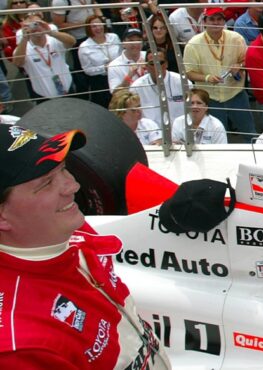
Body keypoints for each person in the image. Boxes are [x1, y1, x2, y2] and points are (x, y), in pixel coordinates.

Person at [0, 124, 171, 368]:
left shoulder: (62, 226)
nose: (73, 186)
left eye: (64, 169)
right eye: (47, 183)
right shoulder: (19, 346)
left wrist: (172, 214)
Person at [183, 7, 254, 137]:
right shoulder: (193, 44)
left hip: (235, 93)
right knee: (217, 135)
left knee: (249, 133)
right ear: (204, 22)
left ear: (224, 22)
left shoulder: (236, 38)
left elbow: (247, 60)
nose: (216, 23)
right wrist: (207, 78)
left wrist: (240, 66)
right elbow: (188, 72)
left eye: (219, 19)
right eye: (212, 19)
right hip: (210, 98)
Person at [12, 11, 76, 100]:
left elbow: (72, 42)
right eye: (32, 25)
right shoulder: (23, 48)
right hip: (43, 96)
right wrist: (24, 38)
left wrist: (51, 32)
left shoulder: (54, 40)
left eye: (38, 23)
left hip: (68, 89)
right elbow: (17, 63)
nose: (35, 27)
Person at [129, 48, 191, 127]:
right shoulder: (136, 87)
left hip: (180, 132)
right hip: (150, 134)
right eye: (152, 63)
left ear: (166, 64)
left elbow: (192, 110)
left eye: (160, 62)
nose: (157, 66)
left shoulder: (183, 83)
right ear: (146, 66)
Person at [78, 14, 122, 107]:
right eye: (94, 26)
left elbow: (121, 54)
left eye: (99, 24)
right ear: (88, 29)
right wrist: (104, 68)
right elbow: (87, 70)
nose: (98, 28)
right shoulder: (84, 47)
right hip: (100, 82)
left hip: (118, 75)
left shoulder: (114, 37)